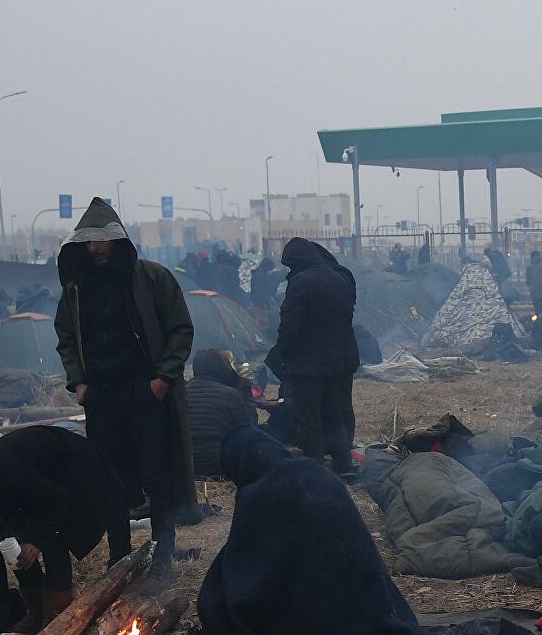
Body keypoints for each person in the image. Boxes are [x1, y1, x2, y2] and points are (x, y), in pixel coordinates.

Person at [198, 426, 423, 635]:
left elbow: (250, 579)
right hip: (369, 618)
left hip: (312, 632)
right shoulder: (318, 474)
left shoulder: (258, 494)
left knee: (215, 599)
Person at [53, 198, 196, 562]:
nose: (96, 248)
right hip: (101, 395)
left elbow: (180, 329)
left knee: (157, 475)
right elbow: (66, 339)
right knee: (110, 479)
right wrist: (80, 385)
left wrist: (163, 379)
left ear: (118, 241)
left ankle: (164, 550)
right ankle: (120, 557)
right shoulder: (76, 290)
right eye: (89, 241)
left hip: (144, 391)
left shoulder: (152, 278)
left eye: (102, 239)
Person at [0, 426, 132, 635]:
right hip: (40, 492)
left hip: (71, 468)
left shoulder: (0, 476)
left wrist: (36, 541)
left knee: (53, 539)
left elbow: (54, 501)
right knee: (14, 548)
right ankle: (37, 615)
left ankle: (62, 613)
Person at [270, 237, 360, 475]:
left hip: (307, 364)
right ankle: (344, 465)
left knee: (308, 418)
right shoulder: (339, 277)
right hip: (334, 362)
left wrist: (283, 352)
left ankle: (315, 470)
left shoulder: (301, 282)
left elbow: (290, 324)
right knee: (333, 414)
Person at [187, 348, 256, 478]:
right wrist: (246, 389)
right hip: (220, 467)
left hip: (188, 466)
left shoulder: (183, 393)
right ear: (222, 369)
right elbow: (249, 431)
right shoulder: (230, 395)